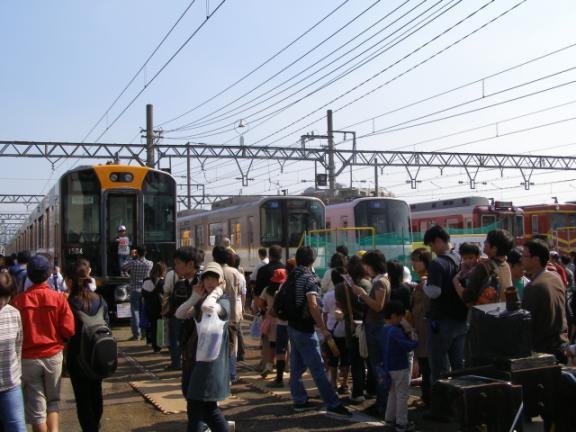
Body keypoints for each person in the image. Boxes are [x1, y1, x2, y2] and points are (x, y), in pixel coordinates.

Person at [12, 255, 75, 432]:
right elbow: (69, 330)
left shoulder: (19, 301)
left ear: (29, 276)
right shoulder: (59, 298)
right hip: (53, 356)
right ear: (49, 275)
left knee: (36, 407)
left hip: (28, 359)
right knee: (53, 402)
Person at [286, 246, 351, 417]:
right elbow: (313, 305)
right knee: (318, 368)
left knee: (297, 366)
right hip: (306, 329)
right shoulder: (309, 278)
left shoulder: (293, 275)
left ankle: (299, 400)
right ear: (312, 261)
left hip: (292, 326)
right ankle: (332, 402)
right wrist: (323, 328)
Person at [174, 262, 233, 432]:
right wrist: (194, 296)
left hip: (211, 364)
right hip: (199, 361)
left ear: (221, 281)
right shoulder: (202, 301)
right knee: (207, 409)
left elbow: (209, 307)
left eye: (214, 278)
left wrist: (218, 291)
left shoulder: (223, 302)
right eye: (206, 277)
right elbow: (179, 314)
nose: (209, 282)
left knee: (198, 408)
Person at [64, 259, 109, 432]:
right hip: (97, 355)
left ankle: (90, 429)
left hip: (77, 358)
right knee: (96, 394)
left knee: (83, 400)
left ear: (69, 281)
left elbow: (65, 332)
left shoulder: (69, 302)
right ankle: (95, 426)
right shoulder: (99, 300)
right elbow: (107, 324)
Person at [422, 225, 467, 384]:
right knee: (459, 367)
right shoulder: (460, 259)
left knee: (440, 370)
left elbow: (435, 292)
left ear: (439, 241)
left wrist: (424, 285)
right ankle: (461, 403)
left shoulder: (437, 263)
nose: (432, 249)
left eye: (432, 245)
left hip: (441, 322)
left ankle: (443, 406)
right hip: (461, 320)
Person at [355, 250, 390, 417]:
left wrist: (362, 295)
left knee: (379, 367)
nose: (365, 268)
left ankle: (383, 405)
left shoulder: (380, 282)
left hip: (377, 327)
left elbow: (378, 306)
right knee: (377, 367)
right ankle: (381, 403)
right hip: (376, 326)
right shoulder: (380, 280)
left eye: (366, 264)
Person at [521, 239, 569, 362]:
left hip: (544, 351)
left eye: (524, 255)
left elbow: (526, 325)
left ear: (536, 259)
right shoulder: (555, 277)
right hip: (561, 344)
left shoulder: (534, 287)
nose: (521, 259)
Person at [334, 255, 369, 404]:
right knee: (371, 360)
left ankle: (357, 393)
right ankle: (372, 390)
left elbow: (339, 306)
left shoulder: (340, 287)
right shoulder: (368, 285)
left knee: (356, 362)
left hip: (351, 327)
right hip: (368, 326)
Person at [379, 301, 418, 432]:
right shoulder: (395, 331)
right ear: (394, 316)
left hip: (388, 367)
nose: (401, 320)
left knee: (392, 393)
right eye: (401, 317)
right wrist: (414, 340)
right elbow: (407, 346)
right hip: (400, 367)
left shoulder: (383, 330)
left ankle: (389, 418)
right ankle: (402, 423)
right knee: (402, 395)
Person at [455, 230, 514, 305]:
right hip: (501, 312)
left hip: (484, 314)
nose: (484, 242)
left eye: (487, 241)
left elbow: (467, 297)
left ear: (494, 248)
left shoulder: (482, 267)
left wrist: (455, 282)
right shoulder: (506, 265)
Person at [212, 246, 243, 383]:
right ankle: (232, 373)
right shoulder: (235, 272)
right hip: (233, 312)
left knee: (217, 344)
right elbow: (241, 292)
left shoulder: (214, 272)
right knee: (232, 344)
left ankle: (219, 373)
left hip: (216, 313)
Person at [0, 271, 26, 432]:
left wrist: (18, 374)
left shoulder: (13, 313)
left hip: (10, 384)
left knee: (17, 426)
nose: (3, 301)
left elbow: (18, 346)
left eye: (6, 296)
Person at [410, 248, 432, 407]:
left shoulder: (427, 281)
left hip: (426, 326)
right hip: (421, 326)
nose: (413, 264)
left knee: (427, 363)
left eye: (416, 260)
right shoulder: (421, 280)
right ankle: (427, 396)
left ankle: (428, 398)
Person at [259, 268, 288, 388]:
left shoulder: (267, 289)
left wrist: (265, 310)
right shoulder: (285, 289)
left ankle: (269, 365)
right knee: (283, 347)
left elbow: (260, 302)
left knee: (272, 344)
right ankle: (283, 367)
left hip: (270, 320)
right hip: (283, 321)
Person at [322, 268, 349, 393]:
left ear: (332, 280)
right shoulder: (348, 293)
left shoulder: (328, 296)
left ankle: (333, 383)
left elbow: (325, 314)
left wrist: (326, 329)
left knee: (333, 359)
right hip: (346, 331)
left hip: (332, 332)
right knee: (345, 359)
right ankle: (344, 384)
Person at [122, 245, 153, 341]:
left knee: (135, 311)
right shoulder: (150, 263)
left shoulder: (133, 262)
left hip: (134, 289)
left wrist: (130, 256)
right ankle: (144, 333)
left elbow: (123, 267)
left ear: (137, 253)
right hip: (145, 290)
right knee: (144, 311)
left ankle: (137, 334)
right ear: (146, 252)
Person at [142, 262, 167, 353]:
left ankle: (153, 344)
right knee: (159, 325)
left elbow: (144, 294)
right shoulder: (162, 282)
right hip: (159, 307)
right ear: (162, 271)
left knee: (152, 325)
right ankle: (158, 345)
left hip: (149, 306)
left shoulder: (146, 280)